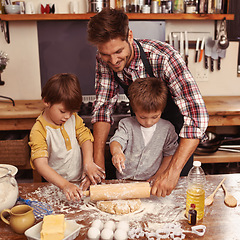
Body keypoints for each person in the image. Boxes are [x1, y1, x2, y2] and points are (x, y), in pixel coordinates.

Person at [87, 8, 209, 197]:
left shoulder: (164, 57)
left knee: (171, 202)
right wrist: (98, 162)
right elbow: (103, 108)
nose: (113, 60)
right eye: (105, 54)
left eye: (118, 51)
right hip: (142, 139)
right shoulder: (105, 59)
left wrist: (173, 171)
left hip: (177, 137)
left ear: (129, 36)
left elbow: (196, 117)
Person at [29, 73, 105, 201]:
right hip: (56, 186)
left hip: (79, 181)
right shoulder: (39, 130)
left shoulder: (73, 119)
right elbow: (41, 164)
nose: (67, 116)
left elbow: (85, 137)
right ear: (47, 101)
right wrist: (65, 185)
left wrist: (88, 162)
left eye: (72, 112)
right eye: (63, 111)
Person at [110, 77, 178, 182]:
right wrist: (116, 152)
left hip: (150, 181)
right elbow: (117, 141)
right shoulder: (126, 124)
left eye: (155, 117)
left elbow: (169, 155)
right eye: (142, 117)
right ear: (134, 110)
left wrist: (158, 176)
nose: (148, 122)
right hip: (124, 180)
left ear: (162, 110)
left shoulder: (167, 129)